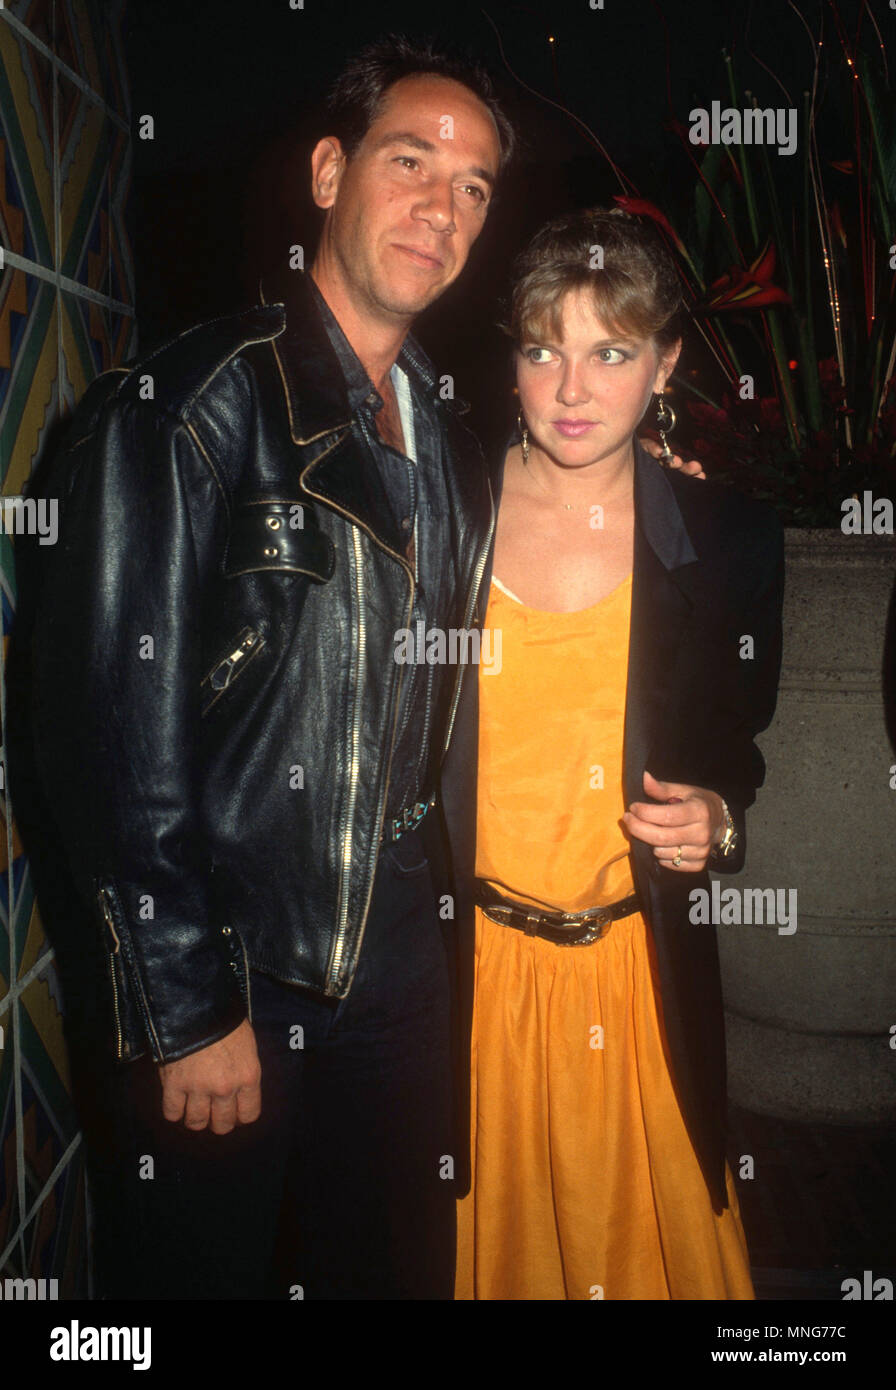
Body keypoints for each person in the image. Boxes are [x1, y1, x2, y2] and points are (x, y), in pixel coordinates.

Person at [21, 35, 512, 1301]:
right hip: (239, 956)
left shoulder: (451, 446)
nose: (441, 207)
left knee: (379, 1260)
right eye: (412, 162)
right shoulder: (190, 407)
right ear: (329, 172)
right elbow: (104, 729)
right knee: (198, 1273)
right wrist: (185, 1002)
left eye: (471, 188)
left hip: (398, 948)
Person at [448, 207, 785, 1300]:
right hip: (465, 989)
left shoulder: (723, 539)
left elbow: (735, 751)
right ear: (510, 359)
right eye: (543, 348)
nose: (572, 390)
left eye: (610, 351)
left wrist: (717, 822)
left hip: (637, 995)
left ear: (666, 363)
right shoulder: (437, 517)